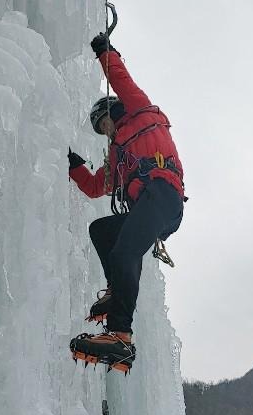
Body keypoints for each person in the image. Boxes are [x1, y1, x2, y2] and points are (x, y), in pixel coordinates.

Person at [68, 32, 185, 373]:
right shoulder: (118, 157)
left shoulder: (139, 113)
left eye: (103, 123)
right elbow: (93, 187)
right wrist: (72, 164)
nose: (104, 131)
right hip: (151, 207)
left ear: (113, 112)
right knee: (102, 230)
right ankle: (116, 292)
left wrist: (105, 51)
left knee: (124, 252)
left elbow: (121, 80)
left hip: (162, 194)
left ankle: (120, 336)